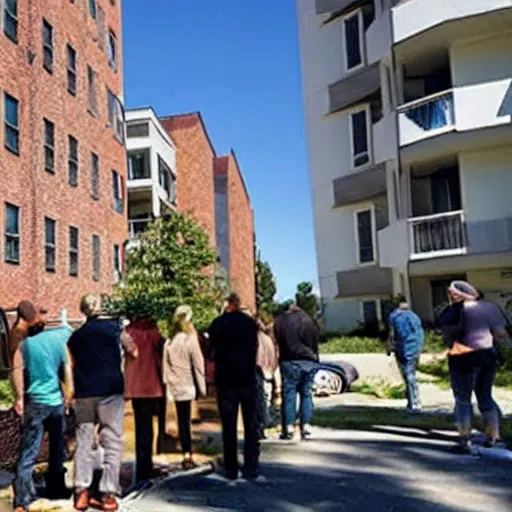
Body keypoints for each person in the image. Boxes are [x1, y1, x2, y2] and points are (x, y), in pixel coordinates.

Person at [68, 295, 138, 511]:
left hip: (85, 393)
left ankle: (82, 492)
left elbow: (71, 364)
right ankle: (108, 495)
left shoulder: (76, 336)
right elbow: (133, 351)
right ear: (100, 308)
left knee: (84, 441)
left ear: (84, 310)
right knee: (112, 441)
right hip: (110, 390)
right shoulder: (115, 329)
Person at [439, 281, 508, 453]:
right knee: (485, 395)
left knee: (463, 398)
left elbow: (445, 329)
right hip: (487, 354)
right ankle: (494, 436)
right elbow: (501, 334)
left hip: (462, 356)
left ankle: (464, 439)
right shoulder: (490, 308)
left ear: (455, 294)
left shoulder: (454, 311)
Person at [12, 321, 74, 512]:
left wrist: (19, 397)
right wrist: (69, 396)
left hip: (36, 402)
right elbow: (67, 369)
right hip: (56, 403)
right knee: (57, 449)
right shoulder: (58, 342)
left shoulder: (25, 346)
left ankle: (22, 500)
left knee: (30, 450)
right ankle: (56, 489)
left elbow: (16, 372)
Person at [208, 293, 262, 482]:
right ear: (238, 304)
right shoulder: (249, 324)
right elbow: (255, 347)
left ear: (226, 304)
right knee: (250, 423)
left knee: (229, 425)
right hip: (247, 377)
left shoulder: (217, 324)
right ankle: (252, 465)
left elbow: (211, 351)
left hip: (226, 379)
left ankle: (231, 467)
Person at [163, 305, 206, 469]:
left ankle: (184, 450)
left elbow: (165, 365)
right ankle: (187, 453)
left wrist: (167, 383)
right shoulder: (190, 339)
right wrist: (202, 387)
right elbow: (198, 363)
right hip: (187, 384)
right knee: (186, 420)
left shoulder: (169, 341)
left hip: (174, 385)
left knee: (181, 420)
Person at [124, 318, 167, 484]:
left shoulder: (129, 333)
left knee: (140, 428)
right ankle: (147, 465)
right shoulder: (155, 334)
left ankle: (142, 467)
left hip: (136, 387)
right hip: (153, 385)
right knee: (149, 429)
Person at [273, 303, 320, 441]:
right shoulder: (310, 321)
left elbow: (278, 340)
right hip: (310, 361)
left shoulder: (282, 320)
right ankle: (305, 424)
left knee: (289, 393)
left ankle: (289, 425)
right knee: (306, 394)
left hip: (290, 361)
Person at [388, 296, 424, 412]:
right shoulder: (414, 315)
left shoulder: (394, 316)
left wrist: (390, 347)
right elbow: (419, 331)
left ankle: (413, 402)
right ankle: (414, 400)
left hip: (402, 348)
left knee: (407, 375)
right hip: (415, 348)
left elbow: (392, 334)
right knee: (411, 373)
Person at [254, 317, 280, 440]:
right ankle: (263, 427)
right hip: (269, 374)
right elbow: (274, 359)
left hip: (258, 374)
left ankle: (259, 428)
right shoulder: (268, 340)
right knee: (265, 401)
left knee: (257, 403)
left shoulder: (254, 340)